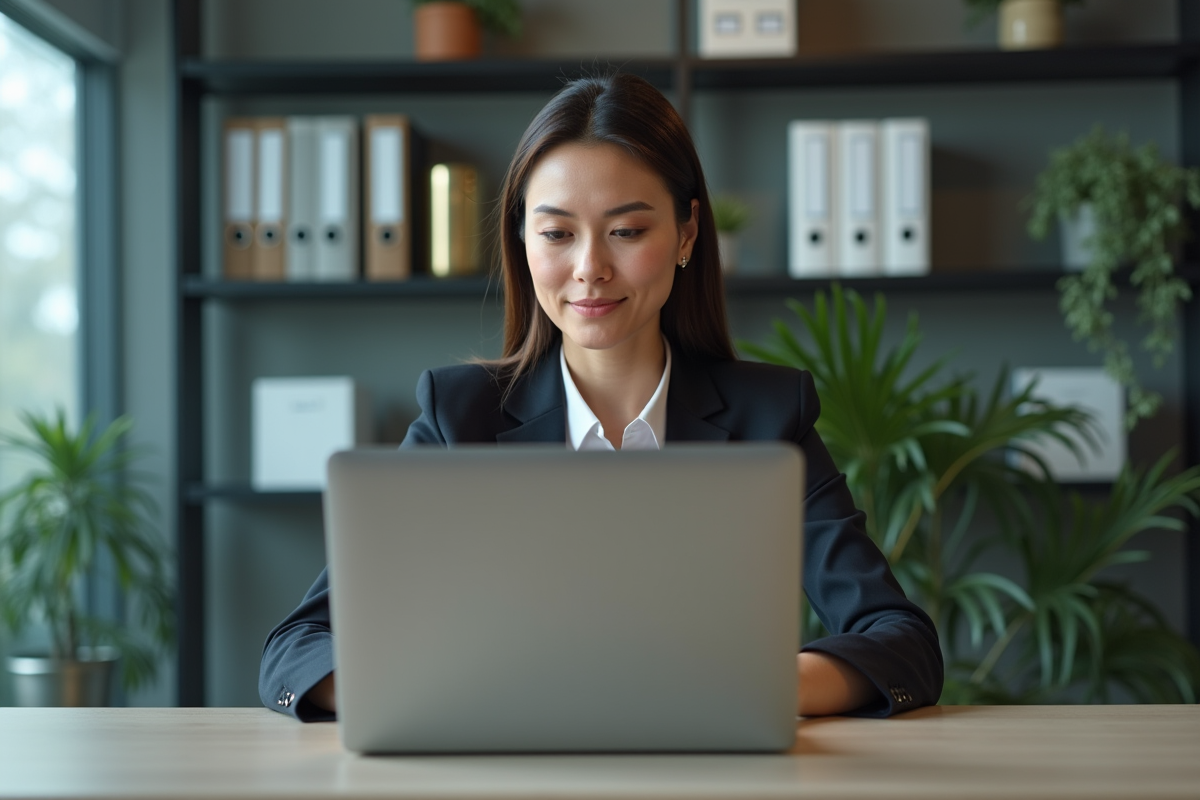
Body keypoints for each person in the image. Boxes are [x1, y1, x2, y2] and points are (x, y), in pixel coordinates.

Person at [259, 72, 943, 722]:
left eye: (627, 230)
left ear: (686, 233)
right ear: (523, 241)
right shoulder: (457, 418)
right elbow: (298, 648)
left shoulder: (770, 418)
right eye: (557, 233)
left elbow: (900, 640)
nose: (590, 269)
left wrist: (751, 686)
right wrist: (459, 698)